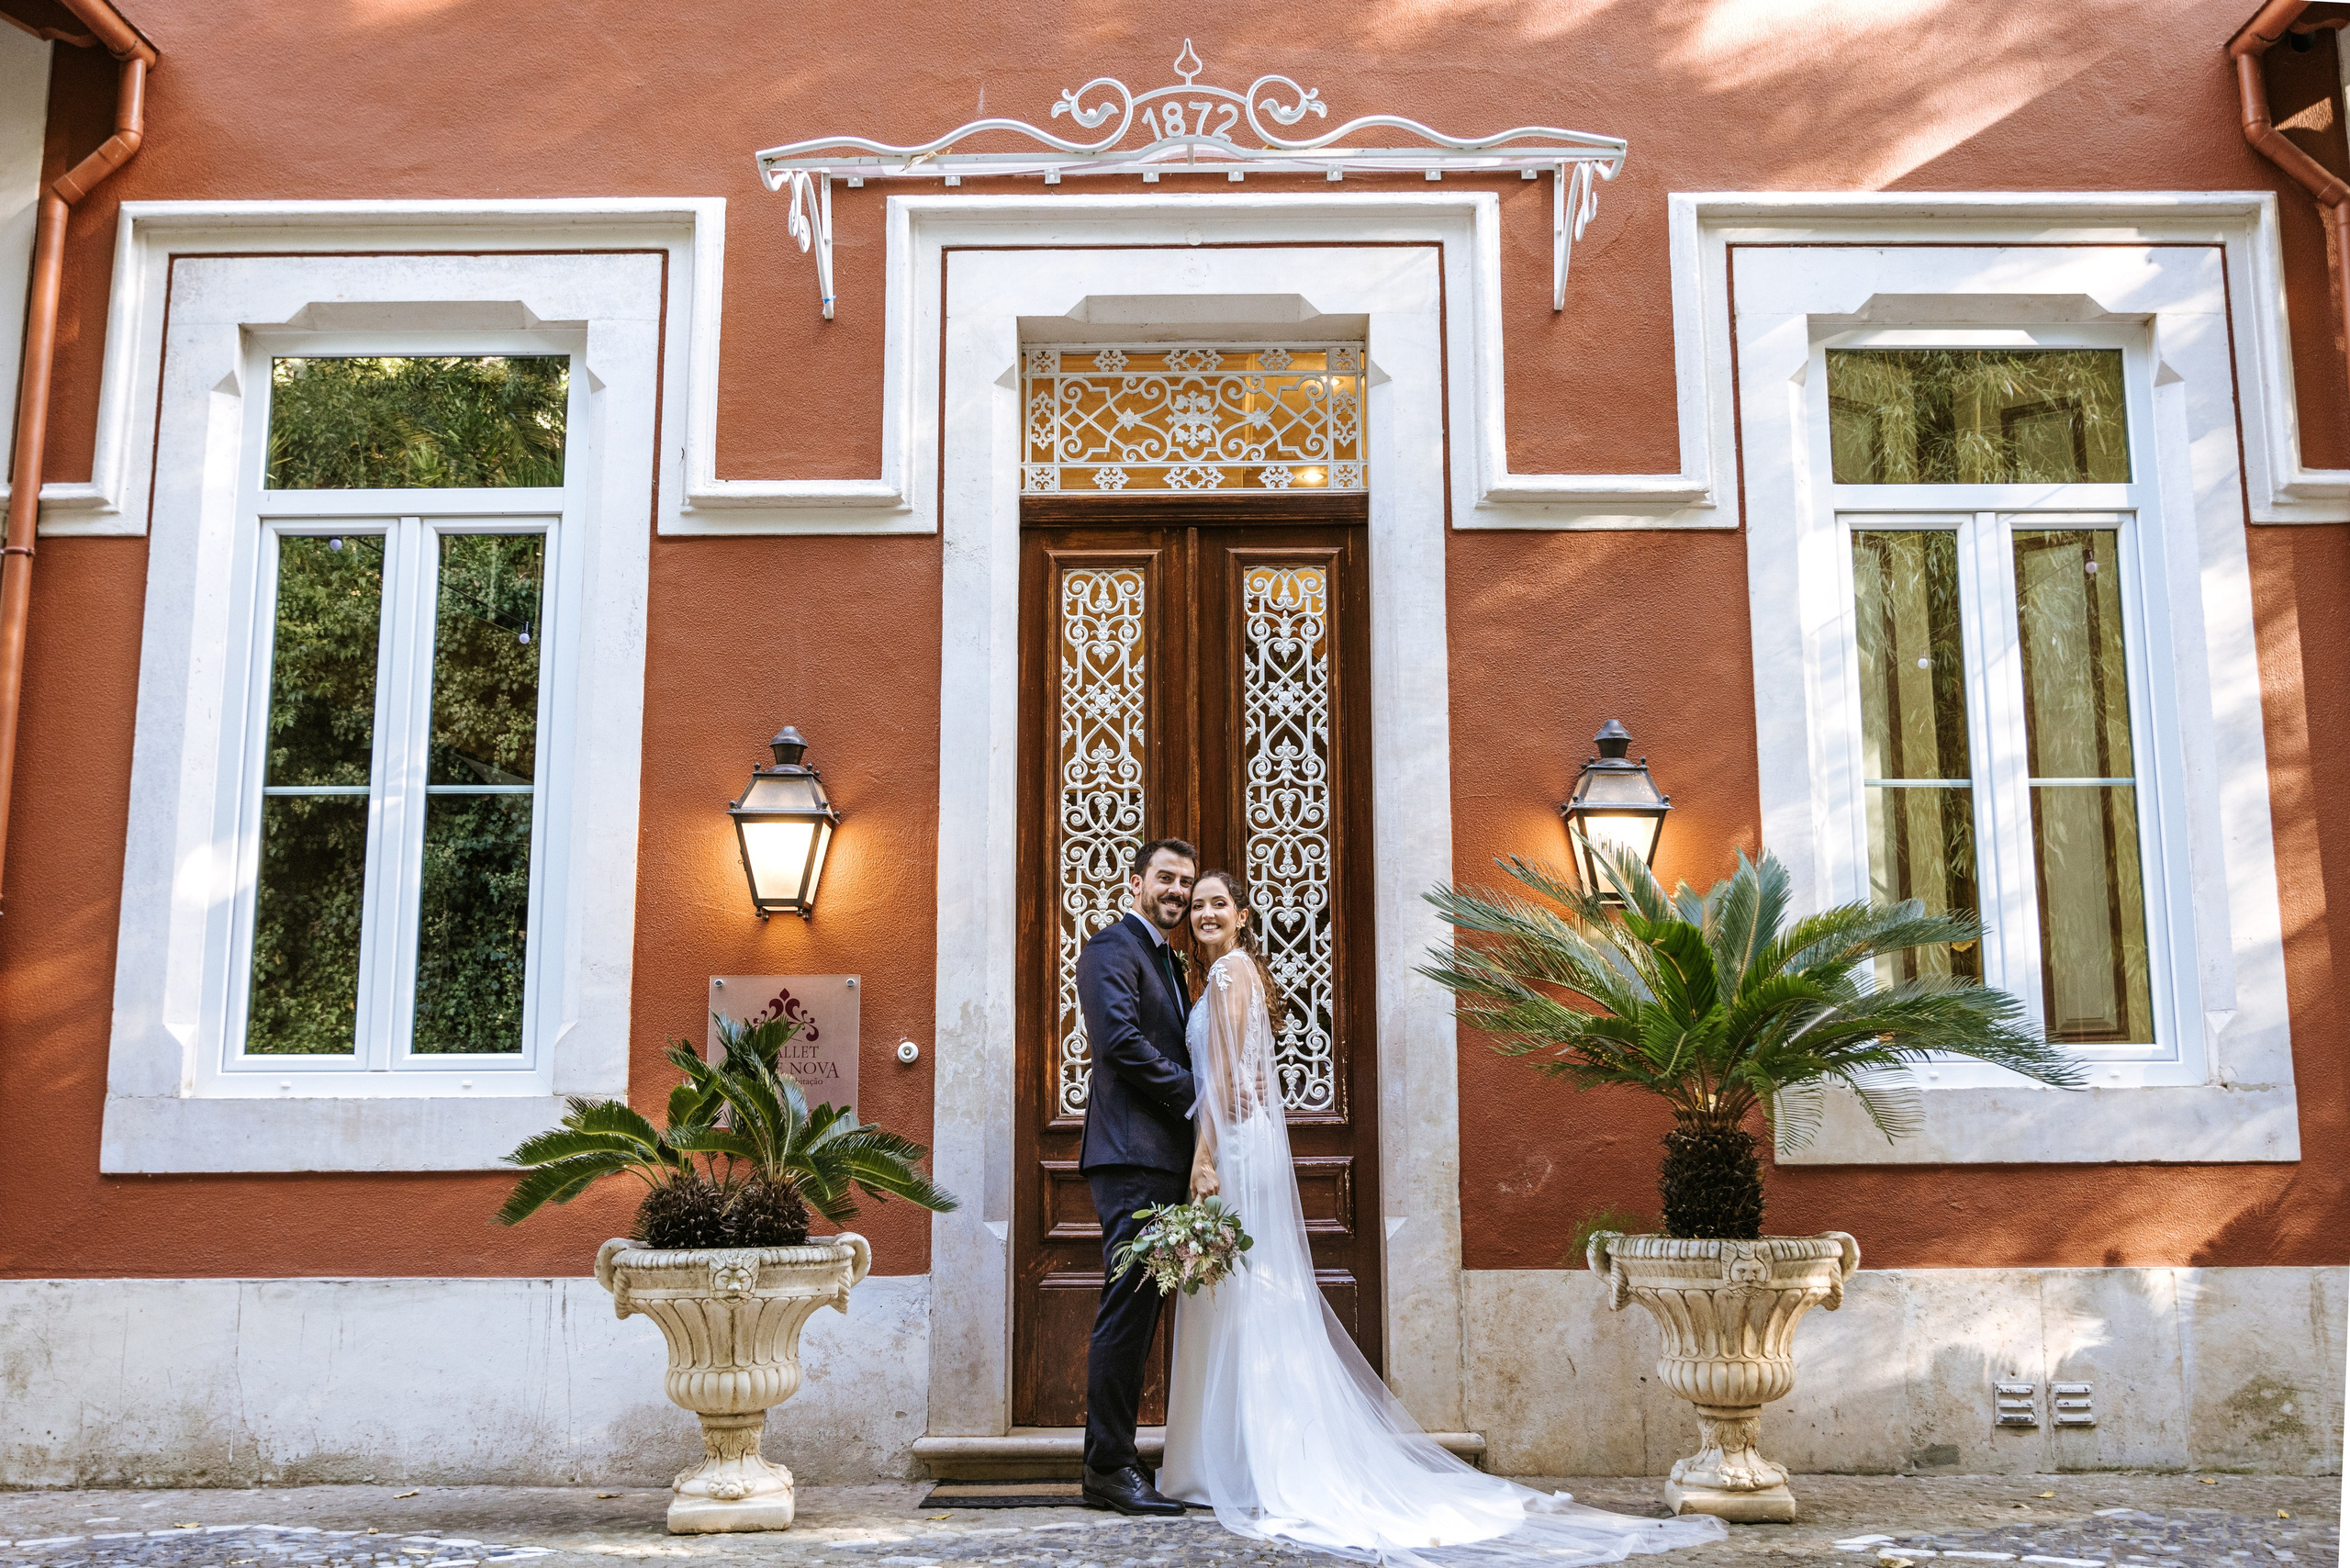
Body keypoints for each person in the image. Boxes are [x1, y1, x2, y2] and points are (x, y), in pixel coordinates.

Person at [1158, 869, 1730, 1566]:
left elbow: (1220, 1074)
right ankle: (1245, 1455)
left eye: (1219, 903)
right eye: (1197, 906)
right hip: (1246, 1143)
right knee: (1247, 1295)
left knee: (1242, 1295)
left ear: (1243, 916)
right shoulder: (1230, 974)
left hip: (1231, 1150)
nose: (1205, 913)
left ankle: (1238, 1460)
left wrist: (1204, 1157)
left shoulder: (1225, 977)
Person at [1072, 837, 1200, 1517]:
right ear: (1136, 883)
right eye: (1166, 879)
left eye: (1185, 882)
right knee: (1126, 1309)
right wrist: (1197, 1093)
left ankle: (1120, 1456)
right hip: (1129, 1159)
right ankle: (1108, 1467)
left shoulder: (1169, 961)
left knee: (1141, 1308)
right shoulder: (1109, 950)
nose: (1177, 892)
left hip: (1163, 1159)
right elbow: (1120, 1042)